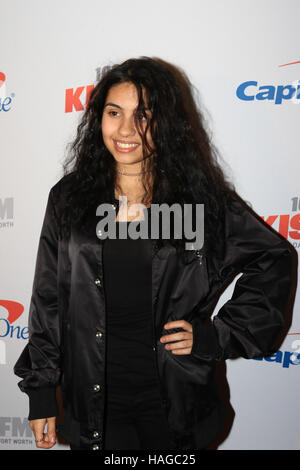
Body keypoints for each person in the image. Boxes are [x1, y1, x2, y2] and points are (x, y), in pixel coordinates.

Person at [14, 57, 294, 451]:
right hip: (94, 404)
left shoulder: (199, 202)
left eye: (143, 116)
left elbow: (274, 259)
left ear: (166, 124)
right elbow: (48, 300)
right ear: (99, 119)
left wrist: (218, 336)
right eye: (114, 113)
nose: (126, 130)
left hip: (175, 404)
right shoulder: (69, 199)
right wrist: (42, 390)